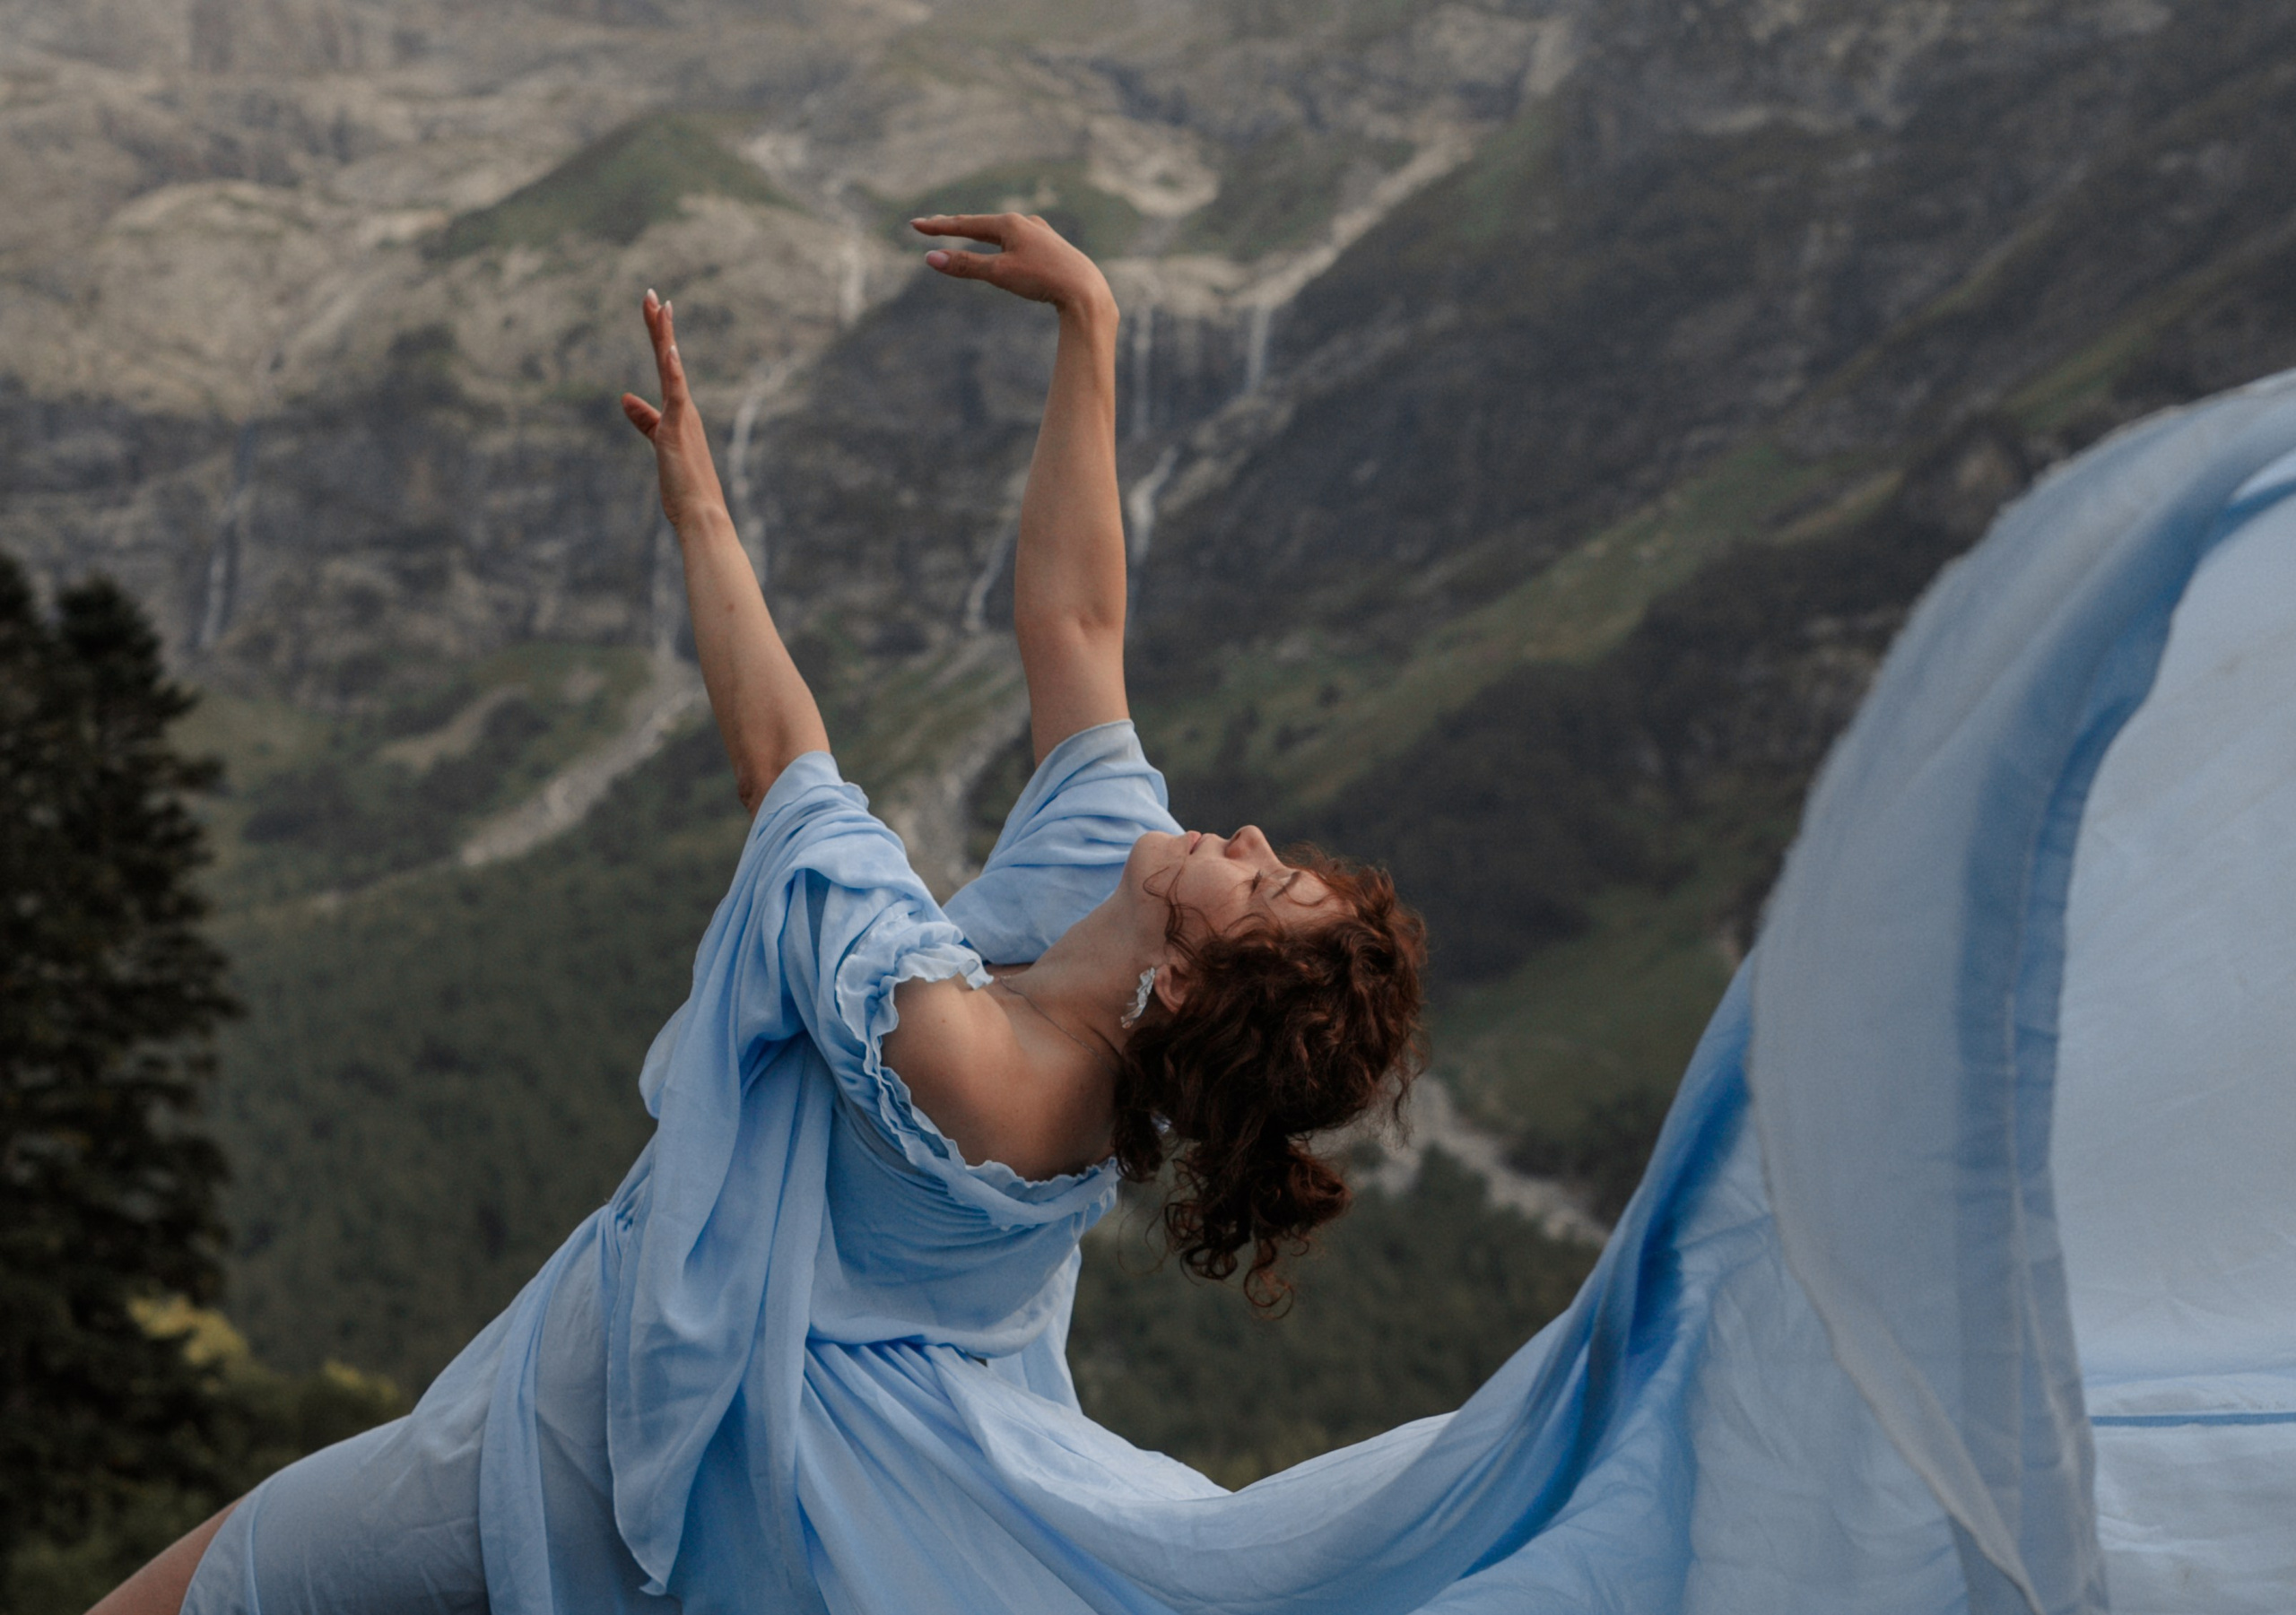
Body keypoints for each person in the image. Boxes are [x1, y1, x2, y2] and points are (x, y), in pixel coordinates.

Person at [100, 213, 1427, 1615]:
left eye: (1268, 885)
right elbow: (1079, 629)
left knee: (210, 1592)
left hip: (593, 1425)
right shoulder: (1122, 884)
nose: (1256, 839)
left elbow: (784, 776)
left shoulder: (988, 1080)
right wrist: (1091, 323)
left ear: (1202, 981)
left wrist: (700, 509)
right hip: (622, 1337)